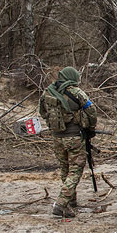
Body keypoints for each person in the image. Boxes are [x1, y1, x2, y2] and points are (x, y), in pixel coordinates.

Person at [38, 67, 97, 217]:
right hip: (74, 137)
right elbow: (91, 110)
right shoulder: (76, 93)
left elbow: (42, 112)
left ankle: (71, 201)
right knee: (75, 170)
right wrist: (90, 128)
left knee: (65, 169)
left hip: (57, 137)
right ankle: (61, 203)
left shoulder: (47, 92)